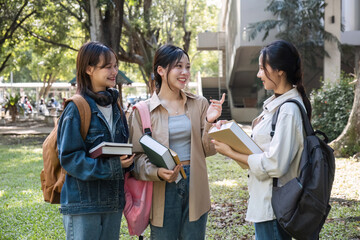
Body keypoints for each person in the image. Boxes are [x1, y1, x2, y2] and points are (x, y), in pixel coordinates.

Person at [212, 40, 312, 240]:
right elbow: (264, 146)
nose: (258, 75)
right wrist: (233, 131)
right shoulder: (277, 104)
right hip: (266, 203)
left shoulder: (288, 110)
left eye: (262, 69)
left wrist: (230, 152)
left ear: (279, 71)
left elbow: (275, 164)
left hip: (274, 207)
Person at [129, 44, 225, 240]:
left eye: (188, 67)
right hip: (162, 187)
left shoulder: (200, 104)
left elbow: (208, 150)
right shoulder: (142, 111)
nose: (185, 72)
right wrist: (157, 172)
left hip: (195, 184)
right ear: (161, 70)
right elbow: (136, 159)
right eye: (178, 67)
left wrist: (209, 122)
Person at [57, 41, 134, 240]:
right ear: (89, 69)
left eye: (115, 66)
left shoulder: (116, 106)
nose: (114, 71)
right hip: (84, 204)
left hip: (113, 203)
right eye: (107, 66)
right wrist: (112, 167)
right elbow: (70, 158)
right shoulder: (76, 108)